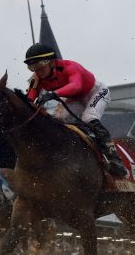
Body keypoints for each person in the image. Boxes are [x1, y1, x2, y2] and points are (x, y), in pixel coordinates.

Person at [24, 43, 126, 176]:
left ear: (52, 62)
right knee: (58, 120)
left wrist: (54, 94)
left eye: (40, 66)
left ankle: (114, 158)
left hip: (95, 92)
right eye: (33, 67)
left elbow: (76, 86)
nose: (37, 71)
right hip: (75, 99)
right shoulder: (36, 78)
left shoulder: (70, 66)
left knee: (89, 118)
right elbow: (29, 99)